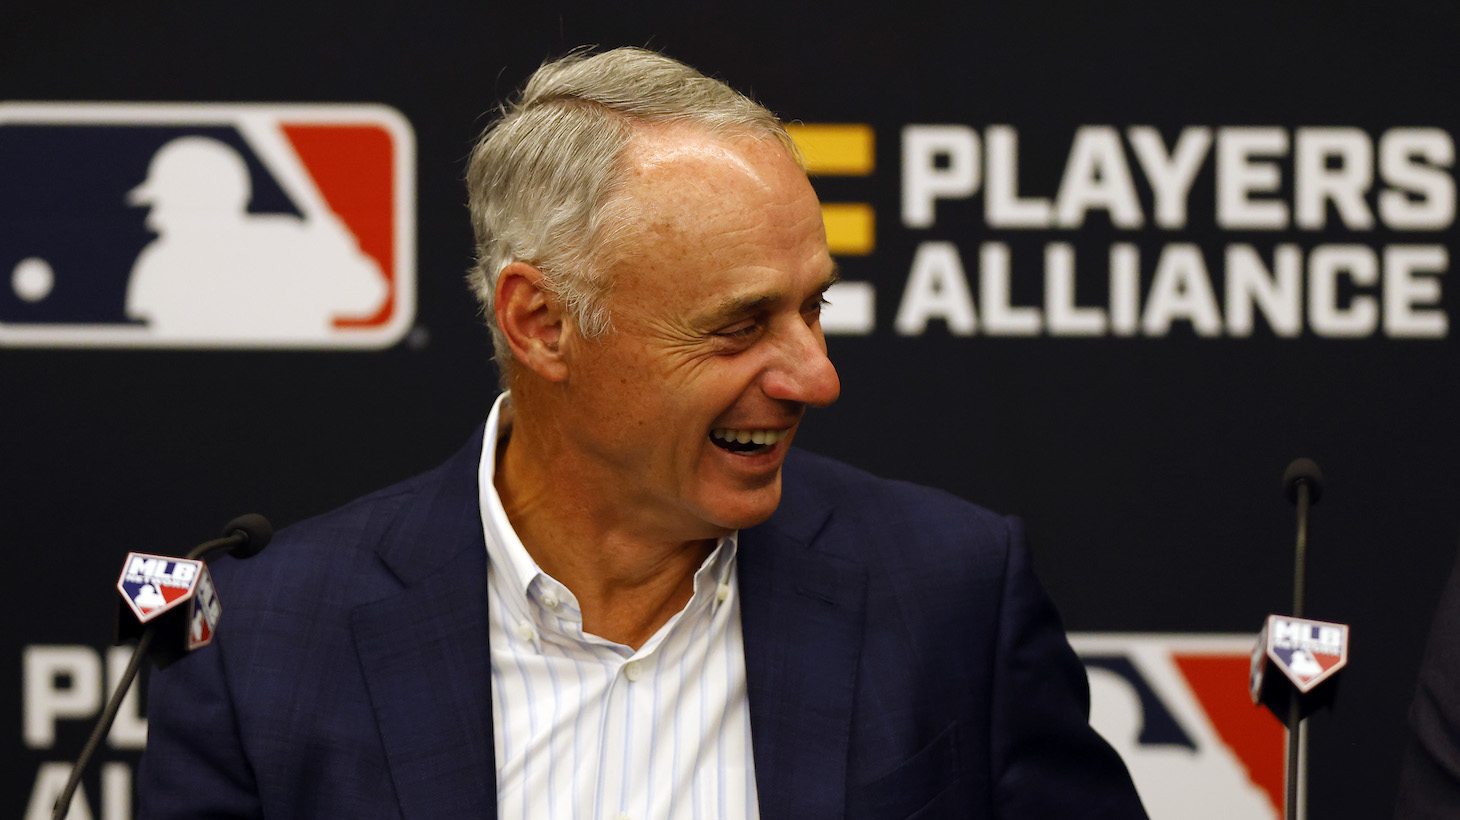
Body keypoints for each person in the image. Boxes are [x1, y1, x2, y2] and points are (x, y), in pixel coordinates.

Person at [139, 47, 1147, 819]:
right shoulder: (260, 644)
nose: (815, 375)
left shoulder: (952, 593)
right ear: (541, 323)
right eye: (739, 325)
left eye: (813, 308)